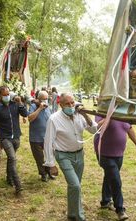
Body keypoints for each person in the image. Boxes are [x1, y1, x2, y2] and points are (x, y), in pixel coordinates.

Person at [44, 93, 98, 221]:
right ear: (61, 105)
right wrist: (50, 164)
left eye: (72, 102)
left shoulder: (80, 115)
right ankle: (80, 217)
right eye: (67, 104)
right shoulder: (53, 119)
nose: (71, 105)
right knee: (76, 186)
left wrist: (84, 113)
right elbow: (48, 142)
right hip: (63, 156)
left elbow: (94, 130)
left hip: (79, 155)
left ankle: (71, 213)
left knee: (75, 185)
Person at [94, 116, 136, 221]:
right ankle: (120, 209)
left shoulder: (123, 113)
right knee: (115, 180)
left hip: (119, 154)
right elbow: (97, 127)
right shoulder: (103, 111)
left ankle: (105, 201)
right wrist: (110, 116)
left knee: (110, 176)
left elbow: (129, 128)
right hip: (104, 153)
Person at [0, 86, 28, 195]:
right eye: (4, 95)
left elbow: (25, 114)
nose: (7, 96)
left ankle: (8, 178)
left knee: (11, 159)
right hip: (5, 138)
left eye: (8, 94)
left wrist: (21, 103)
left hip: (16, 137)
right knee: (12, 158)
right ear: (0, 96)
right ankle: (18, 185)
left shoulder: (15, 104)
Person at [27, 90, 53, 182]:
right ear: (39, 99)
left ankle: (49, 171)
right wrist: (39, 109)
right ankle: (43, 174)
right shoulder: (33, 106)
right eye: (44, 99)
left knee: (48, 156)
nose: (46, 101)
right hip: (35, 137)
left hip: (46, 137)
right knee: (39, 158)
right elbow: (30, 118)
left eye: (47, 99)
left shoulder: (48, 108)